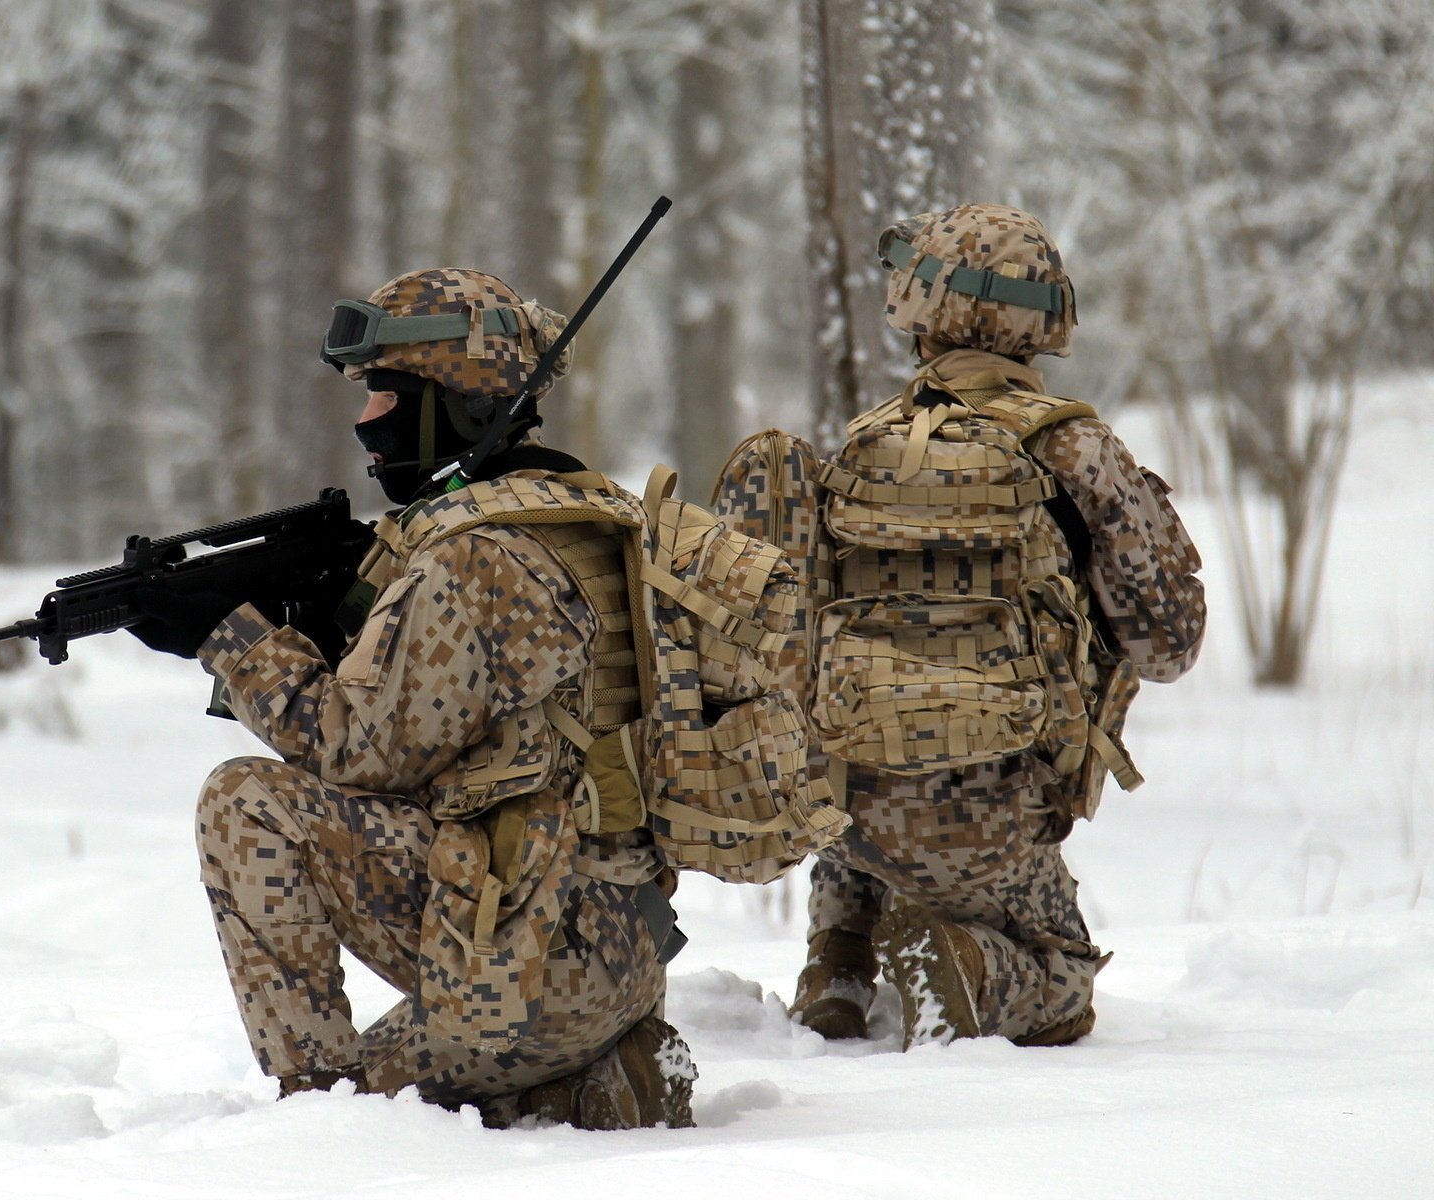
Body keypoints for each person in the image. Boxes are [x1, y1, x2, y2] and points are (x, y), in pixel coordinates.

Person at [130, 267, 693, 1127]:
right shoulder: (591, 514)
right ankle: (591, 1075)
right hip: (625, 943)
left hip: (525, 965)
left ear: (456, 400)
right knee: (426, 1052)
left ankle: (321, 1118)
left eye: (386, 394)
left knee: (247, 803)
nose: (366, 423)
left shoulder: (473, 558)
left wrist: (230, 638)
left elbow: (357, 751)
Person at [788, 204, 1207, 1048]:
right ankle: (968, 970)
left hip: (849, 809)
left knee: (868, 715)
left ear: (917, 311)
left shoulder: (866, 445)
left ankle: (836, 963)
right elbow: (1168, 645)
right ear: (1045, 319)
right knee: (1066, 976)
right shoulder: (1076, 450)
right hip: (994, 819)